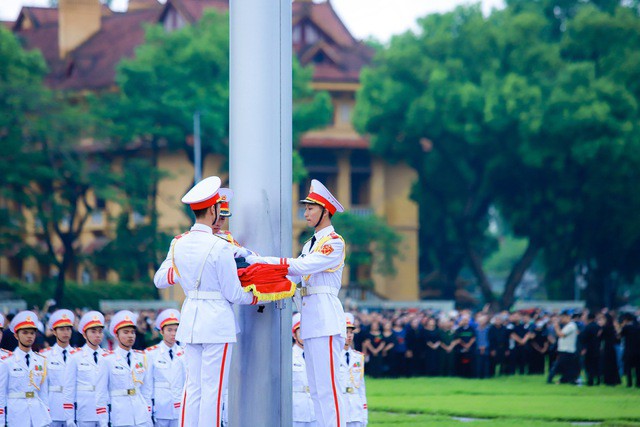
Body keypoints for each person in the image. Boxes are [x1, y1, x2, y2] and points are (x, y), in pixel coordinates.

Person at [154, 176, 259, 427]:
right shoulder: (219, 247)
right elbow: (234, 294)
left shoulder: (179, 243)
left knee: (193, 387)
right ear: (213, 210)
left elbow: (164, 277)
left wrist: (185, 273)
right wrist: (255, 296)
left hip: (191, 318)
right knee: (213, 389)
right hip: (217, 321)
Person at [248, 179, 347, 427]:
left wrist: (262, 261)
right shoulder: (309, 244)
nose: (306, 213)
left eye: (311, 208)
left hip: (325, 318)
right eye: (306, 208)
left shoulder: (334, 242)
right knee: (316, 387)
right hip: (311, 317)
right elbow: (292, 274)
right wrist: (257, 264)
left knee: (328, 388)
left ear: (325, 210)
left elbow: (301, 267)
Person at [95, 310, 152, 427]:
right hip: (119, 415)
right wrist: (103, 422)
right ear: (116, 335)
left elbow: (146, 390)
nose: (130, 336)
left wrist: (148, 414)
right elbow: (101, 394)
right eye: (125, 332)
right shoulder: (107, 360)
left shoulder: (141, 357)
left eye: (132, 332)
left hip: (140, 415)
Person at [0, 310, 51, 426]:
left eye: (32, 333)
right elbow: (1, 394)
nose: (29, 336)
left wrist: (46, 416)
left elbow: (43, 393)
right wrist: (1, 421)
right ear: (16, 335)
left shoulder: (41, 360)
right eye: (25, 332)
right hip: (16, 415)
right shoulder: (7, 362)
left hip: (37, 415)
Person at [63, 311, 109, 427]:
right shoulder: (75, 357)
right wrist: (69, 417)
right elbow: (69, 388)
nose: (97, 335)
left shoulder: (108, 356)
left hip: (105, 410)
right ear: (84, 334)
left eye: (100, 332)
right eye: (93, 332)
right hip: (84, 409)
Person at [145, 309, 187, 427]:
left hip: (179, 407)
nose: (173, 334)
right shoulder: (151, 354)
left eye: (176, 330)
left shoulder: (184, 353)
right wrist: (149, 409)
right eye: (169, 330)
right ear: (161, 331)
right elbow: (147, 385)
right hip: (160, 408)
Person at [40, 309, 76, 427]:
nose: (65, 332)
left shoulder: (78, 355)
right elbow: (43, 387)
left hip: (74, 408)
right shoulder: (45, 356)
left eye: (68, 329)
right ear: (54, 332)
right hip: (53, 406)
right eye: (61, 329)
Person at [340, 313, 368, 427]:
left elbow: (361, 387)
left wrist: (364, 414)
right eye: (346, 332)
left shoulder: (358, 357)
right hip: (340, 406)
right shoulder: (332, 356)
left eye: (351, 332)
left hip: (355, 408)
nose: (349, 335)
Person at [292, 312, 317, 427]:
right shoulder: (288, 356)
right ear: (294, 335)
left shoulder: (316, 355)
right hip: (296, 410)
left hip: (314, 409)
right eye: (299, 331)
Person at [547, 310, 579, 384]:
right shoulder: (567, 326)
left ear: (567, 317)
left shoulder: (571, 325)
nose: (561, 319)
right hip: (564, 350)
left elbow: (561, 334)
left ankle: (553, 379)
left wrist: (556, 327)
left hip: (567, 350)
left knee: (558, 365)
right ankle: (565, 380)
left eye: (562, 318)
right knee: (565, 367)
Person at [579, 312, 601, 386]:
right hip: (597, 348)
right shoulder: (598, 327)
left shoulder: (587, 327)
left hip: (589, 349)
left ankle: (590, 381)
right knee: (596, 365)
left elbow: (583, 338)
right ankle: (598, 380)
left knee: (589, 366)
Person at [620, 313, 640, 388]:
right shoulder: (638, 327)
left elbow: (620, 335)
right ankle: (638, 383)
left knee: (628, 368)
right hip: (638, 351)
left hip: (629, 350)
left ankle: (630, 383)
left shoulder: (626, 327)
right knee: (638, 368)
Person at [600, 313, 621, 386]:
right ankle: (614, 380)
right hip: (612, 348)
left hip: (607, 348)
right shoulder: (612, 327)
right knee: (612, 364)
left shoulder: (605, 328)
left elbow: (600, 337)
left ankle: (608, 380)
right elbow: (617, 338)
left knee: (607, 364)